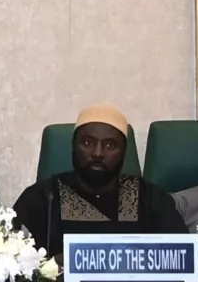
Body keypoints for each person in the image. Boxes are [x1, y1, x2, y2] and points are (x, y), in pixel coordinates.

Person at [12, 104, 183, 256]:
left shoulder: (151, 199)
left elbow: (181, 257)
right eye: (88, 143)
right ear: (73, 146)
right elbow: (12, 263)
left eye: (110, 145)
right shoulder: (42, 199)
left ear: (123, 152)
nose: (98, 153)